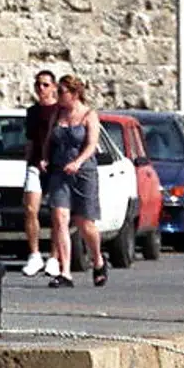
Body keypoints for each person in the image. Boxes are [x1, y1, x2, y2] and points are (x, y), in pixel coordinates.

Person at [43, 73, 106, 288]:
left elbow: (91, 145)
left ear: (74, 93)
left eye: (61, 92)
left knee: (85, 223)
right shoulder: (57, 114)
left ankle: (98, 260)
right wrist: (44, 158)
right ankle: (65, 272)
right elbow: (48, 140)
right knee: (60, 218)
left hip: (84, 173)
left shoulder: (89, 115)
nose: (57, 96)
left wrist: (78, 162)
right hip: (60, 171)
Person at [21, 68, 60, 276]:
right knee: (30, 209)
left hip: (55, 167)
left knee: (56, 212)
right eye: (38, 84)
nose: (41, 88)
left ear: (53, 87)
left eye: (45, 84)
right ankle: (35, 254)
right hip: (35, 165)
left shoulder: (60, 110)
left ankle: (54, 257)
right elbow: (29, 139)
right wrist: (28, 162)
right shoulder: (32, 112)